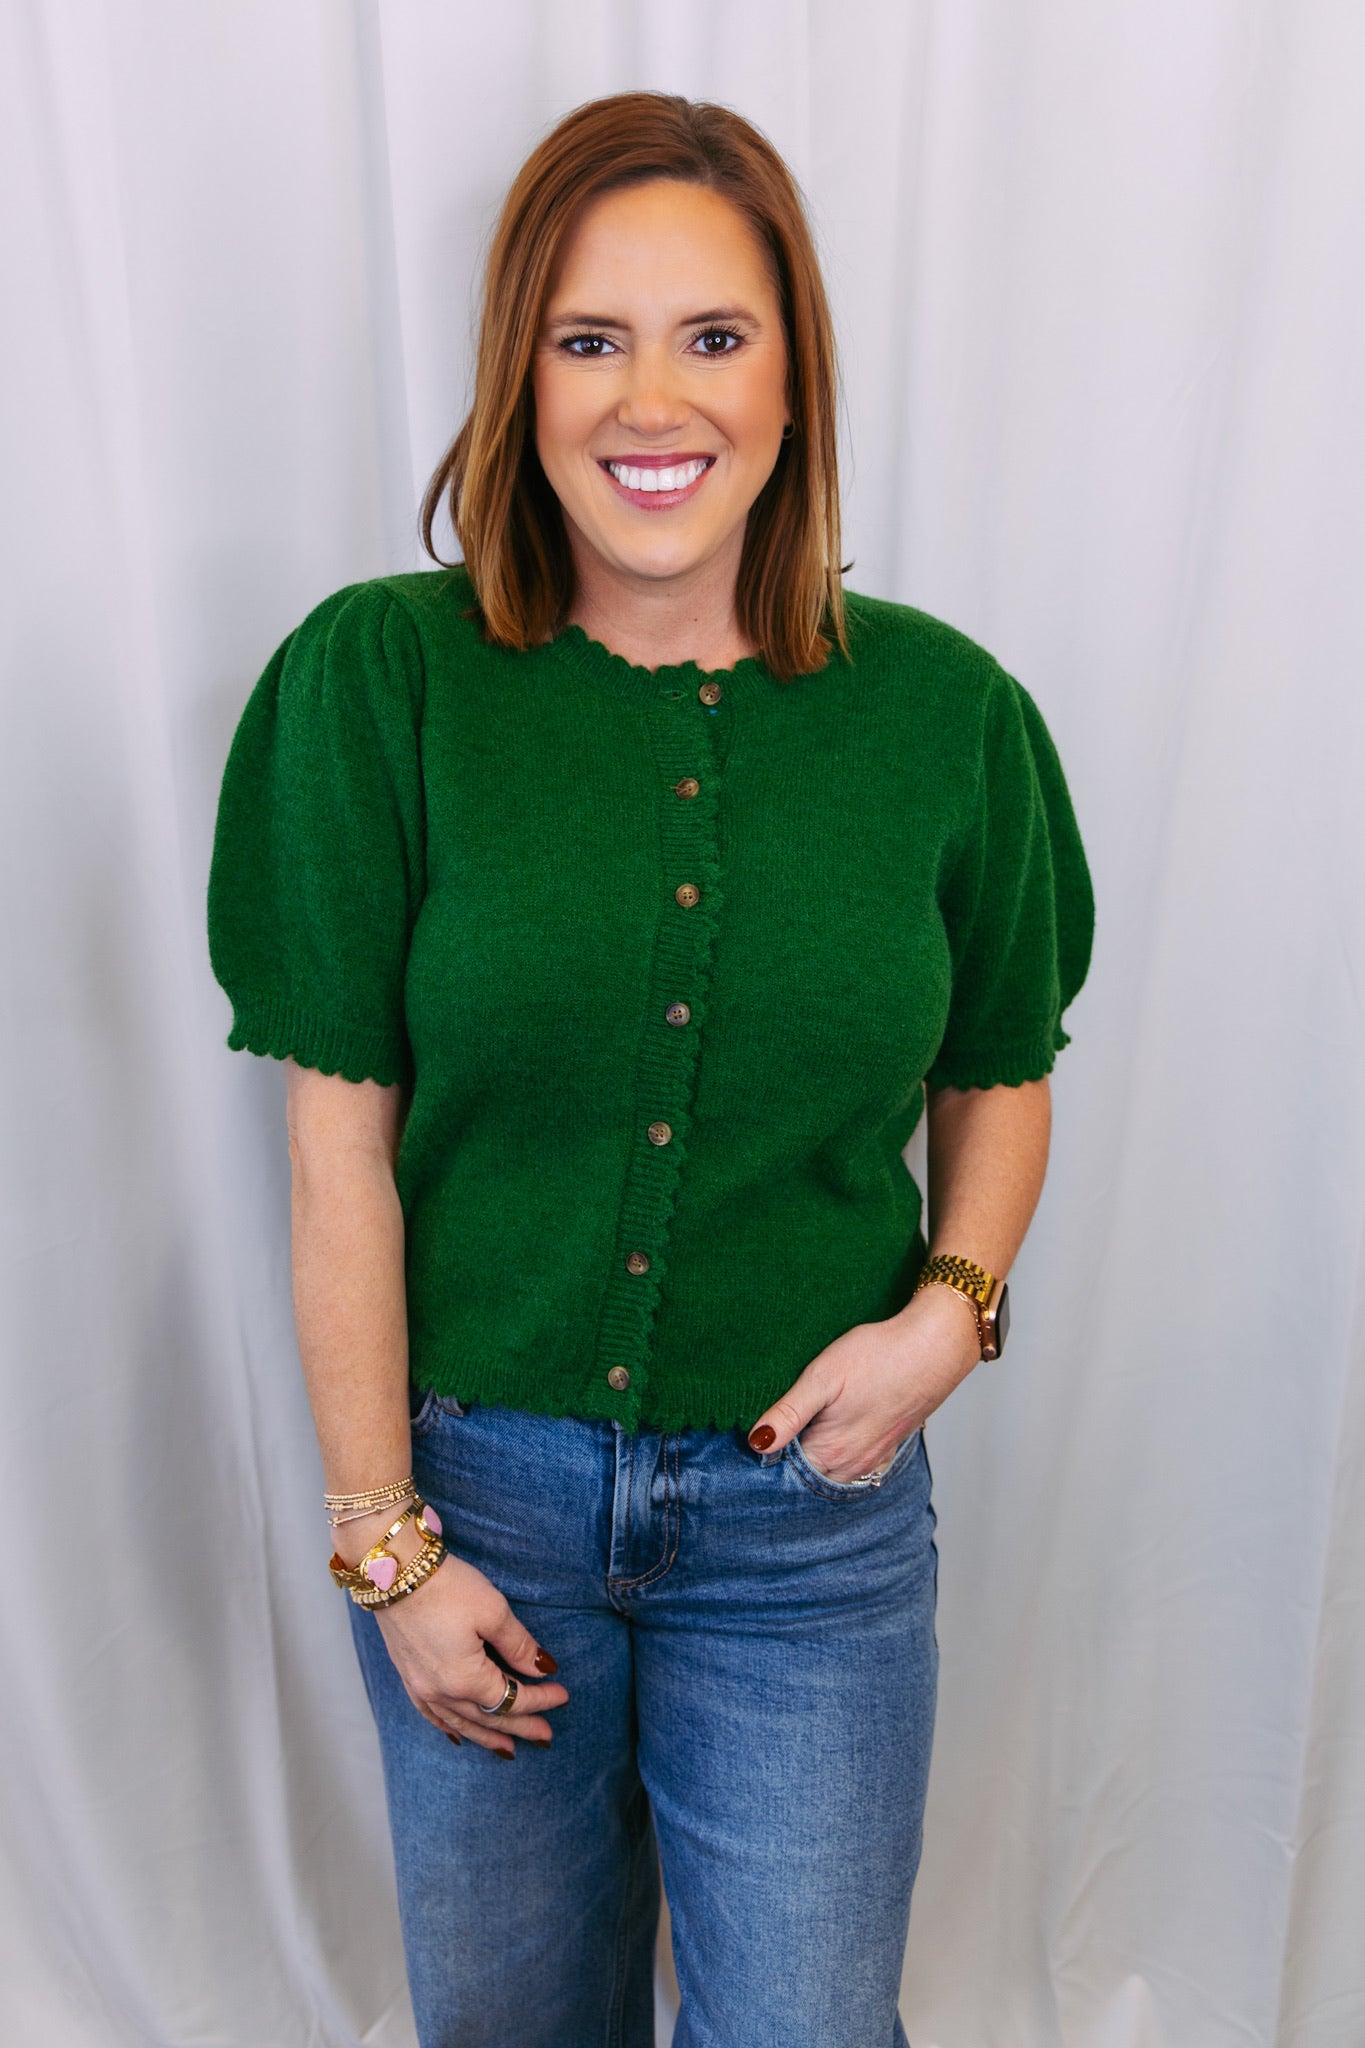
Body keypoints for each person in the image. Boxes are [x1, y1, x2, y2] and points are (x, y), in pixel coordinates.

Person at [207, 89, 1094, 2048]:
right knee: (509, 2023)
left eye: (710, 334)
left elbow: (997, 1071)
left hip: (811, 1532)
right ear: (518, 373)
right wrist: (387, 1545)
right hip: (477, 1519)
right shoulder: (383, 686)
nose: (645, 399)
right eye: (585, 338)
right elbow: (332, 1156)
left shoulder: (947, 720)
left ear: (795, 378)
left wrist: (946, 1315)